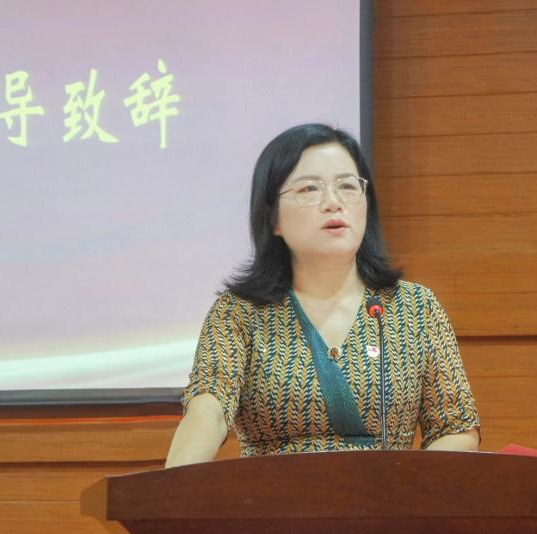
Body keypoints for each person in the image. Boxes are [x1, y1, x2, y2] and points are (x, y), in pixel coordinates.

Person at [165, 123, 479, 467]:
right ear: (273, 219)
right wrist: (172, 486)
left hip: (386, 496)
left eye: (348, 186)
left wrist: (405, 486)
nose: (333, 203)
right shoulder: (240, 312)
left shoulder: (414, 307)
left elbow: (456, 428)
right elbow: (209, 409)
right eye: (310, 189)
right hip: (272, 497)